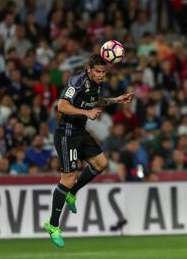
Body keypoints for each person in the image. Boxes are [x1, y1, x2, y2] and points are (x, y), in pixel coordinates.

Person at [44, 54, 133, 248]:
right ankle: (52, 225)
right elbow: (62, 105)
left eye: (104, 72)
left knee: (102, 163)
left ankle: (72, 193)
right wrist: (86, 113)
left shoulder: (95, 84)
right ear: (89, 69)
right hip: (67, 133)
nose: (101, 75)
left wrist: (115, 100)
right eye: (98, 71)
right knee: (67, 178)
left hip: (80, 131)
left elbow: (92, 101)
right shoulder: (77, 80)